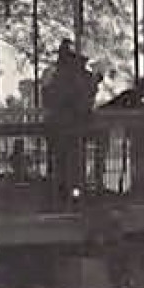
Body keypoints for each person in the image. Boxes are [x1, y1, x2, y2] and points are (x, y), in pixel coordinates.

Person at [41, 39, 96, 201]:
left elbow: (83, 101)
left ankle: (70, 191)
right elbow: (52, 98)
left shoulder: (72, 77)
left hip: (68, 126)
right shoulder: (60, 76)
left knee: (70, 161)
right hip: (64, 126)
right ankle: (64, 191)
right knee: (65, 161)